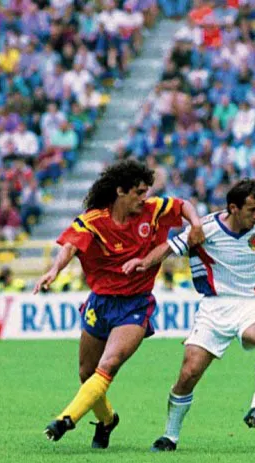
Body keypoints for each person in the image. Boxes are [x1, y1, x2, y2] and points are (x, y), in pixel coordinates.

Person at [33, 159, 204, 446]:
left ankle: (66, 419)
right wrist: (54, 270)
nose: (144, 198)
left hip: (135, 305)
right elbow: (71, 246)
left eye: (146, 191)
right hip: (99, 304)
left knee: (108, 364)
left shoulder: (152, 211)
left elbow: (183, 205)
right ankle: (108, 420)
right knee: (87, 372)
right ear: (120, 192)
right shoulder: (94, 220)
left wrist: (196, 223)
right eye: (138, 192)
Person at [121, 180, 255, 451]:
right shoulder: (206, 229)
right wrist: (143, 262)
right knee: (188, 374)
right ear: (233, 208)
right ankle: (170, 436)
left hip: (252, 303)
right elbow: (168, 248)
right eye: (251, 210)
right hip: (214, 308)